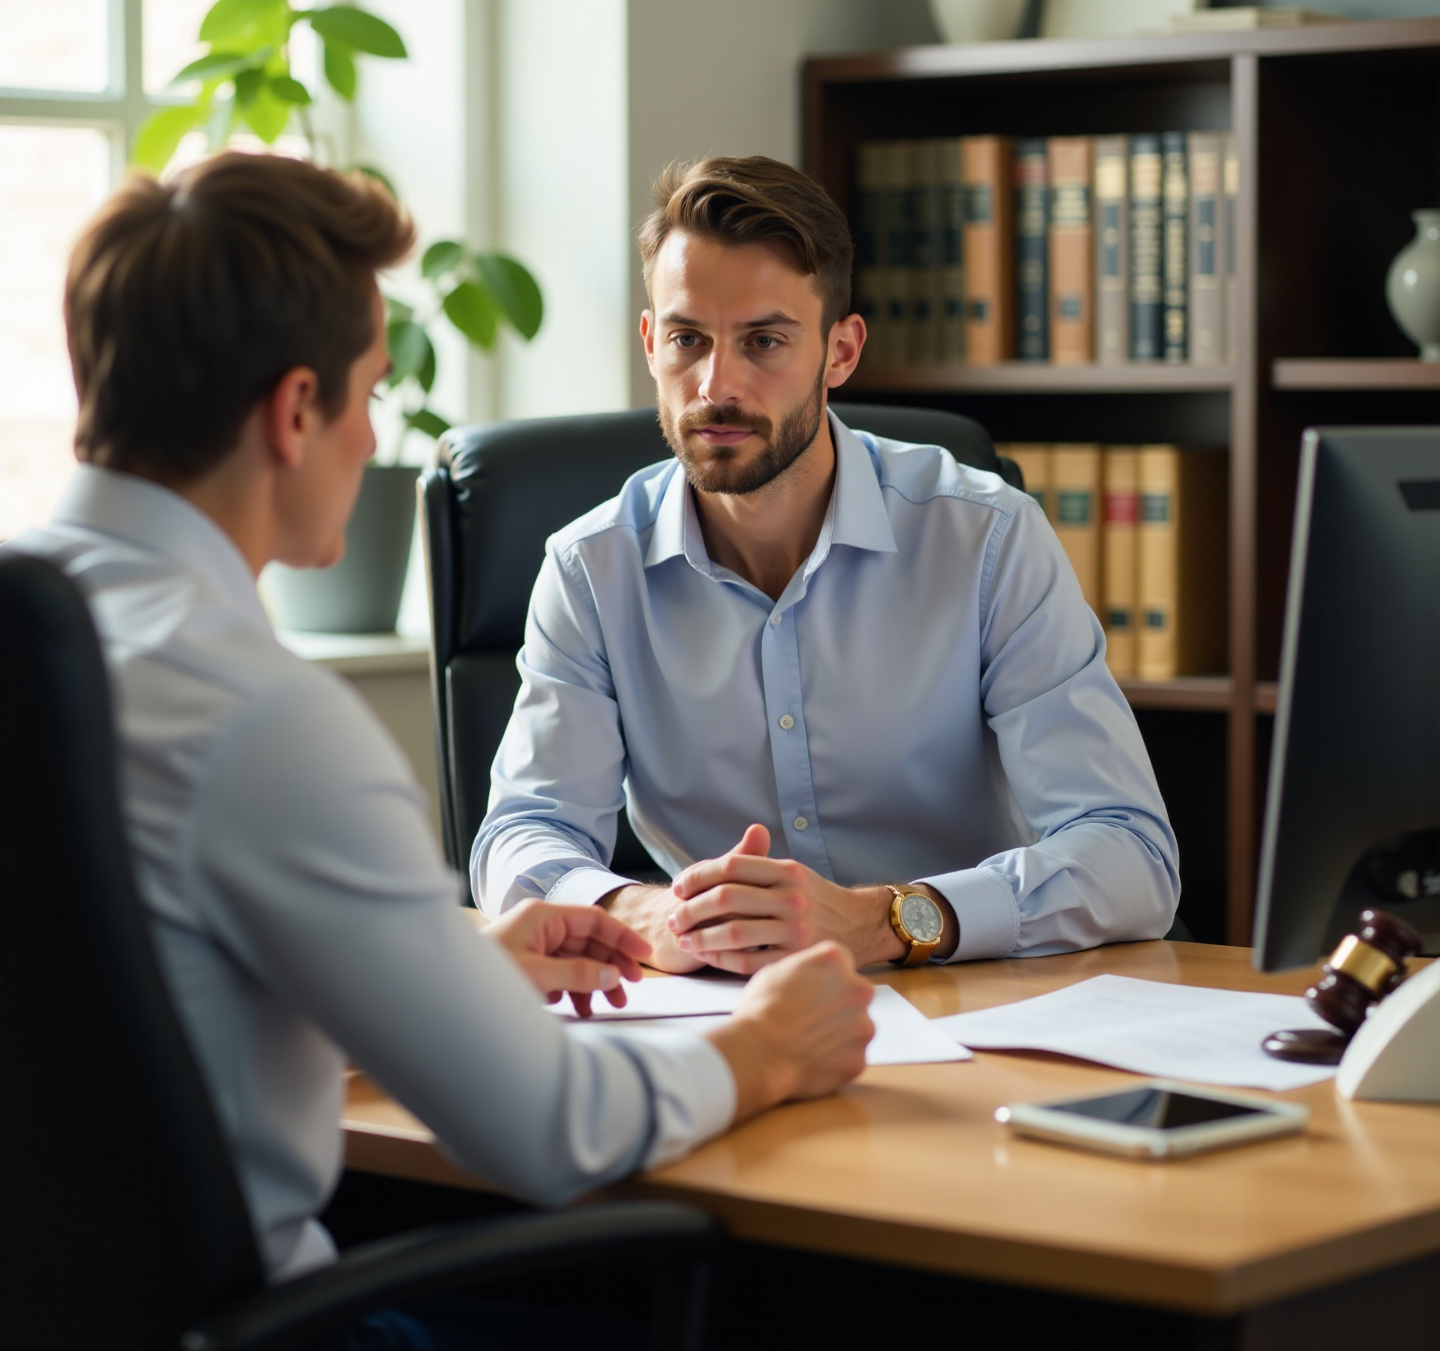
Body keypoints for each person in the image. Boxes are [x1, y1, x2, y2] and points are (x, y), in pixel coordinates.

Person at [12, 152, 874, 1301]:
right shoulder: (262, 721)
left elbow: (116, 1005)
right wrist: (766, 1046)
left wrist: (443, 967)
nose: (374, 441)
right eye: (370, 394)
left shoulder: (53, 642)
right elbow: (555, 1129)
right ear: (296, 411)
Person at [477, 155, 1180, 975]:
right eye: (687, 339)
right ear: (650, 343)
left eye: (764, 341)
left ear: (840, 352)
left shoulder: (987, 540)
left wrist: (888, 921)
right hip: (720, 1013)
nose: (716, 384)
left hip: (972, 1003)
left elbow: (1132, 854)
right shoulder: (590, 571)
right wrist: (640, 911)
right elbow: (520, 834)